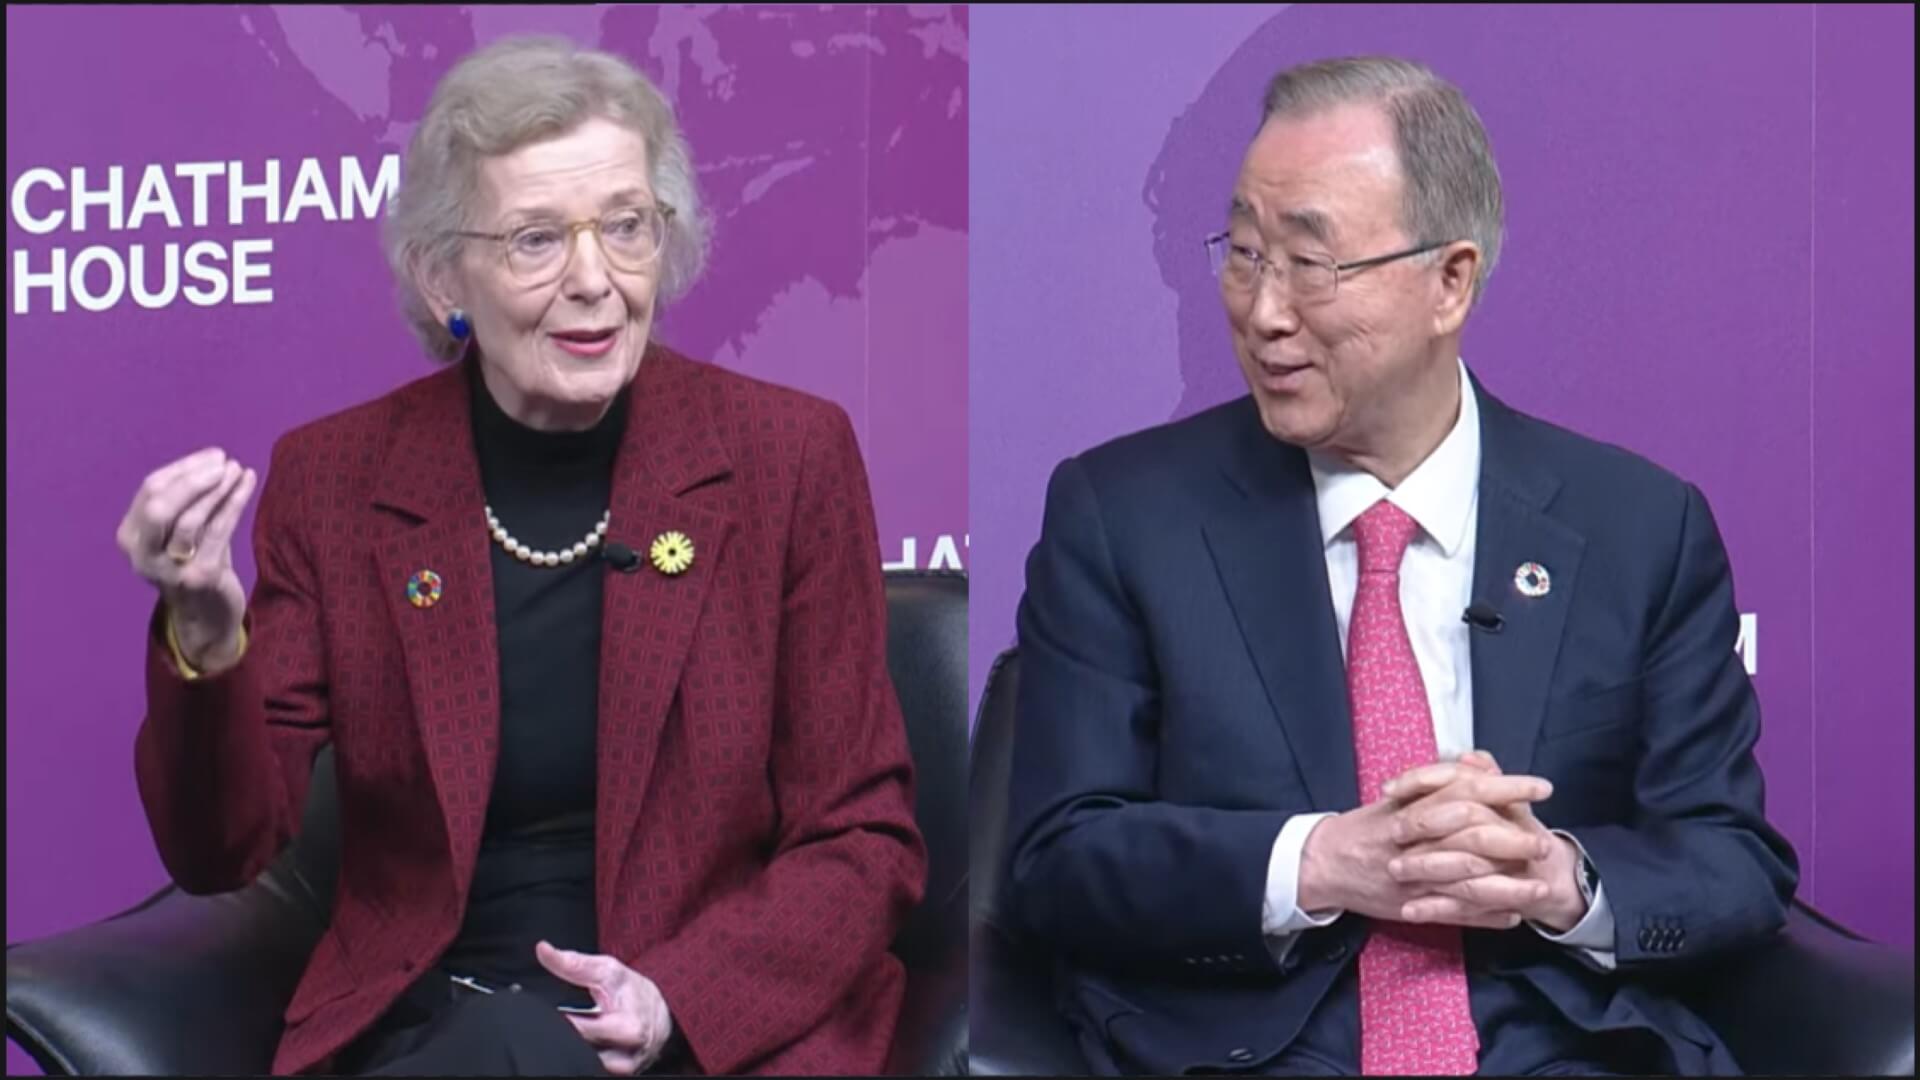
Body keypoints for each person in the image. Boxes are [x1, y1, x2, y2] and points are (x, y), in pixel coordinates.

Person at [117, 35, 924, 1077]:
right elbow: (218, 849)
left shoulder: (785, 458)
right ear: (441, 269)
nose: (595, 281)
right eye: (537, 240)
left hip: (702, 1032)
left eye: (626, 228)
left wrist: (681, 996)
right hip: (432, 1018)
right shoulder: (338, 479)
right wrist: (204, 636)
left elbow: (865, 841)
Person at [1003, 55, 1797, 1076]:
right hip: (1248, 1048)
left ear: (1450, 281)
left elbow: (1732, 859)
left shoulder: (1640, 527)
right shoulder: (1122, 516)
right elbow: (1056, 859)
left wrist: (1559, 879)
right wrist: (1321, 862)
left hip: (1557, 1047)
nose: (1263, 311)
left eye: (1310, 263)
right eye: (1243, 253)